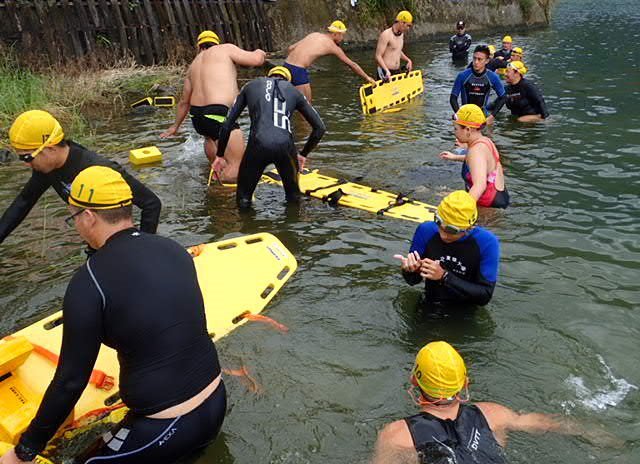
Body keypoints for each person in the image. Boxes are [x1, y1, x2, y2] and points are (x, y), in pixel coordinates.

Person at [0, 166, 225, 464]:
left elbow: (70, 380)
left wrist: (24, 451)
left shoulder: (89, 282)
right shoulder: (173, 249)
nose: (76, 225)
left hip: (166, 427)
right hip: (216, 401)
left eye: (73, 217)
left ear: (89, 217)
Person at [371, 341, 594, 464]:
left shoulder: (398, 435)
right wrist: (598, 435)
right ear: (464, 383)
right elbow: (551, 423)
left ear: (414, 382)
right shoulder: (494, 414)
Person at [1, 110, 161, 247]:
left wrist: (141, 247)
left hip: (118, 244)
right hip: (95, 242)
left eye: (27, 158)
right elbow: (24, 202)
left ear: (49, 149)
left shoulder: (99, 169)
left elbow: (151, 204)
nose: (26, 165)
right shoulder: (47, 167)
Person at [160, 30, 266, 182]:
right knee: (238, 167)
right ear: (217, 43)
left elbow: (184, 101)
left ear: (199, 46)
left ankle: (215, 190)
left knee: (217, 162)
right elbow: (256, 60)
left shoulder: (193, 66)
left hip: (197, 117)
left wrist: (175, 126)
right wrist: (259, 52)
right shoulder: (225, 49)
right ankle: (222, 200)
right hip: (218, 113)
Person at [214, 66, 326, 209]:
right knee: (293, 197)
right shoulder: (294, 91)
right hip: (285, 148)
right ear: (287, 80)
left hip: (257, 146)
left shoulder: (250, 86)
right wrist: (303, 154)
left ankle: (246, 226)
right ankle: (292, 227)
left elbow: (227, 124)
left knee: (243, 199)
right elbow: (320, 128)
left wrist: (220, 155)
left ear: (269, 75)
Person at [394, 190, 499, 308]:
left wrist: (444, 277)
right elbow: (412, 281)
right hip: (429, 303)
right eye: (439, 223)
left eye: (451, 230)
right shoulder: (426, 230)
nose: (443, 234)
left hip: (465, 311)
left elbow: (484, 296)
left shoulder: (486, 242)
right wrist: (410, 270)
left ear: (469, 227)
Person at [284, 20, 375, 102]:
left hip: (286, 66)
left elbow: (290, 48)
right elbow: (352, 65)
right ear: (335, 34)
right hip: (298, 70)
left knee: (288, 101)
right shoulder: (332, 46)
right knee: (306, 107)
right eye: (342, 35)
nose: (342, 38)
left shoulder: (314, 34)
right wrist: (367, 78)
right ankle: (302, 121)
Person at [440, 104, 509, 208]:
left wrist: (462, 210)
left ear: (467, 130)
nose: (455, 133)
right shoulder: (485, 141)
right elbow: (479, 163)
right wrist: (455, 157)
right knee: (442, 193)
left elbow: (479, 186)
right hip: (498, 198)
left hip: (488, 206)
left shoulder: (476, 151)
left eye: (456, 129)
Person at [450, 45, 506, 124]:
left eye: (480, 59)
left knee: (487, 134)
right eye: (474, 58)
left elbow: (503, 97)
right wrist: (458, 113)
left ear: (487, 61)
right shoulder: (463, 75)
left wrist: (492, 116)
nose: (476, 62)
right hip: (465, 116)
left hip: (482, 117)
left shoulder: (492, 77)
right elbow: (453, 98)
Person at [375, 11, 414, 81]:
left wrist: (408, 60)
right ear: (402, 23)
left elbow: (397, 50)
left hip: (397, 71)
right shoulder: (386, 35)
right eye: (408, 26)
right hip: (385, 73)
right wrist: (386, 71)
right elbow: (378, 56)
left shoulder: (401, 35)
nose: (408, 28)